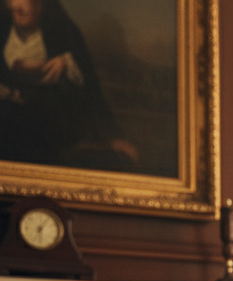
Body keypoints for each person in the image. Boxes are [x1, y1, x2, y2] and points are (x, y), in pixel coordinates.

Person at [0, 0, 137, 168]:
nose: (18, 10)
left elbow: (90, 84)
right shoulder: (3, 25)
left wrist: (67, 62)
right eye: (12, 6)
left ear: (40, 5)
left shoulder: (61, 28)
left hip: (50, 126)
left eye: (26, 6)